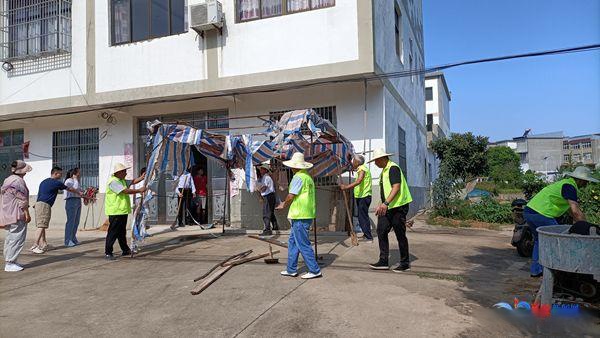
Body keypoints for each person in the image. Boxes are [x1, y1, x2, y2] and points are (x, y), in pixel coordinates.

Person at [524, 166, 598, 277]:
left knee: (540, 240)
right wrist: (587, 227)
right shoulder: (570, 186)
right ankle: (558, 272)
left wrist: (578, 222)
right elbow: (576, 211)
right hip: (542, 214)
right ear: (581, 180)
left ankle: (536, 270)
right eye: (586, 182)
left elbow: (571, 211)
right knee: (557, 241)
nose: (587, 184)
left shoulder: (565, 184)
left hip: (529, 212)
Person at [276, 152, 322, 279]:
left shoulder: (298, 177)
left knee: (302, 243)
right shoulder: (307, 177)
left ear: (295, 166)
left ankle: (314, 270)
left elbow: (291, 195)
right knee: (293, 242)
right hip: (305, 213)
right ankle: (291, 269)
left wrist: (283, 205)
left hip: (300, 214)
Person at [368, 148, 413, 272]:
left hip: (398, 207)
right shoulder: (384, 171)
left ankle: (405, 263)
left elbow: (396, 187)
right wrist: (381, 204)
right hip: (388, 207)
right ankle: (383, 261)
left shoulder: (393, 168)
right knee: (381, 230)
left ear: (382, 159)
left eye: (376, 161)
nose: (375, 163)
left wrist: (386, 203)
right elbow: (385, 191)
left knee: (400, 234)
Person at [31, 166, 81, 254]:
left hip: (39, 204)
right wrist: (79, 193)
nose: (61, 176)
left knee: (42, 225)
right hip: (44, 205)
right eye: (60, 174)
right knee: (41, 226)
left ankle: (44, 244)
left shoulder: (44, 181)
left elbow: (40, 193)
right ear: (55, 173)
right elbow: (69, 189)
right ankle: (35, 245)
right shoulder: (56, 183)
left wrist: (36, 203)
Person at [104, 163, 146, 260]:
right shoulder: (113, 182)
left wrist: (141, 177)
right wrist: (139, 190)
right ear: (118, 172)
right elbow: (125, 191)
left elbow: (132, 181)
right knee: (113, 232)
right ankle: (108, 252)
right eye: (124, 171)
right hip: (115, 211)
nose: (126, 173)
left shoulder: (121, 180)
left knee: (121, 232)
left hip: (122, 210)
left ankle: (125, 249)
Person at [1, 160, 32, 272]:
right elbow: (22, 200)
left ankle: (10, 260)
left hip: (8, 213)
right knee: (17, 238)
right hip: (17, 213)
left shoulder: (7, 179)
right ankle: (10, 262)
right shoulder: (18, 182)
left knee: (10, 238)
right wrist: (27, 214)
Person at [340, 154, 373, 242]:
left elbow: (359, 180)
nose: (352, 162)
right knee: (362, 216)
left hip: (364, 196)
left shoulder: (362, 169)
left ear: (357, 162)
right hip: (362, 196)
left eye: (354, 160)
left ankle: (368, 237)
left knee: (362, 217)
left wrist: (346, 187)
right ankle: (366, 234)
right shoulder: (361, 168)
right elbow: (352, 168)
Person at [64, 168, 84, 247]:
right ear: (74, 173)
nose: (80, 174)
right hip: (71, 201)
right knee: (71, 221)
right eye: (79, 172)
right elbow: (74, 189)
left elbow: (79, 190)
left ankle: (73, 238)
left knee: (76, 221)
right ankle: (67, 240)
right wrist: (75, 179)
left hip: (77, 200)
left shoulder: (76, 181)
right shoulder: (68, 181)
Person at [258, 163, 279, 236]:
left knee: (266, 213)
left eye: (261, 169)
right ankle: (275, 226)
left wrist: (259, 189)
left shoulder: (266, 177)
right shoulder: (266, 177)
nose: (260, 170)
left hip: (268, 196)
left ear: (265, 170)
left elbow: (264, 188)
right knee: (270, 212)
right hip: (270, 196)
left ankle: (267, 230)